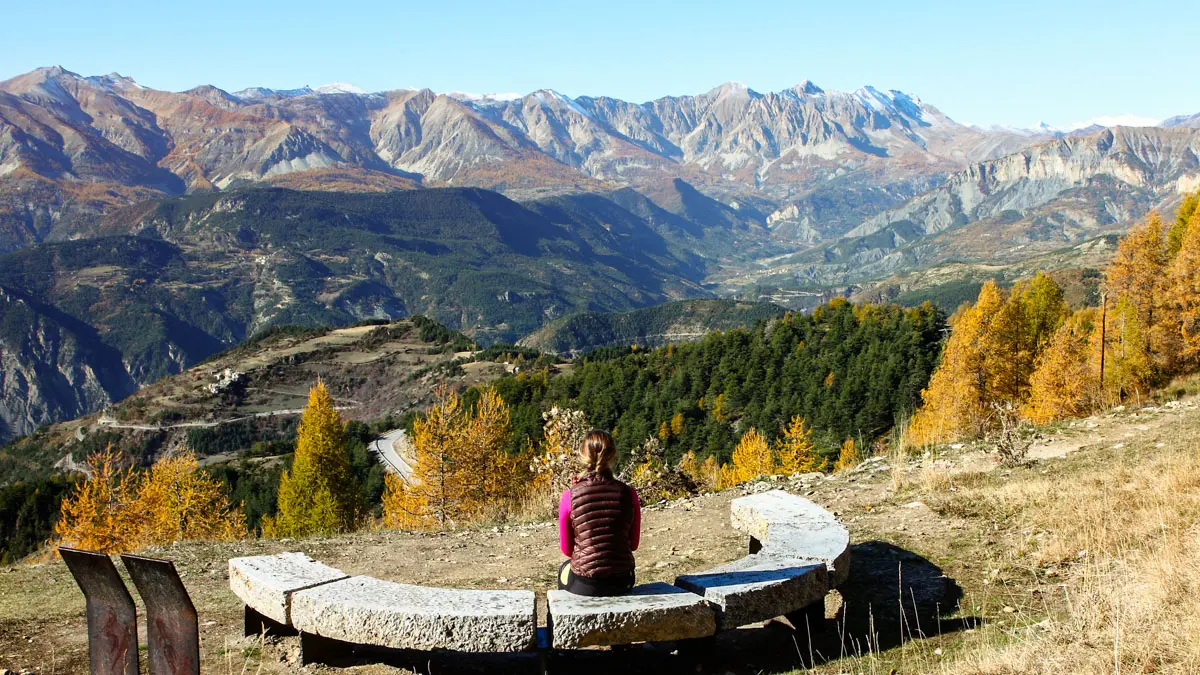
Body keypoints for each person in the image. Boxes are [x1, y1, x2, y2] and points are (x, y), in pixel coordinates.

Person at [557, 429, 642, 596]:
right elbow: (633, 545)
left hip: (585, 583)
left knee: (563, 570)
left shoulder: (570, 496)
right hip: (622, 581)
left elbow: (567, 550)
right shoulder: (629, 493)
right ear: (612, 455)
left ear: (583, 455)